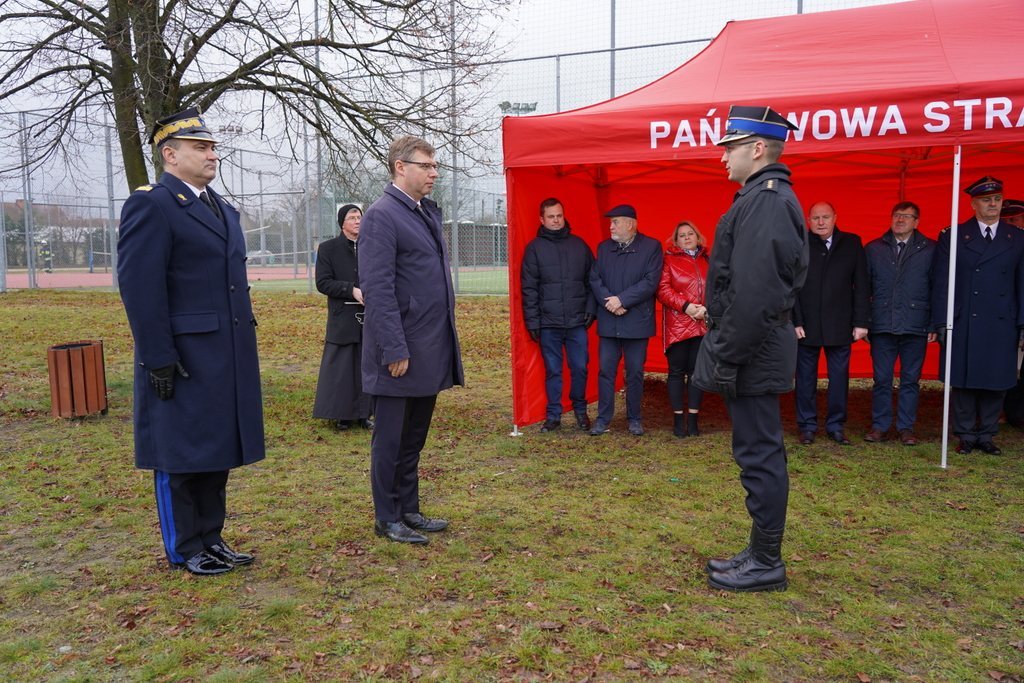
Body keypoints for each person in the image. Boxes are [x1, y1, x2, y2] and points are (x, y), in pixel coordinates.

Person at [117, 107, 264, 576]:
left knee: (215, 449)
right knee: (180, 453)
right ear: (170, 154)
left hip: (223, 353)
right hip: (181, 355)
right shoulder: (153, 204)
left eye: (213, 147)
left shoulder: (220, 207)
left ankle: (212, 537)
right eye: (200, 147)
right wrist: (157, 356)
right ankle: (185, 546)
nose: (211, 155)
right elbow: (141, 288)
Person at [693, 105, 807, 592]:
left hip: (752, 351)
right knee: (755, 453)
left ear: (757, 148)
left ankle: (766, 561)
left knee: (760, 455)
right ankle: (760, 551)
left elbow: (756, 294)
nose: (723, 157)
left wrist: (726, 353)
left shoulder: (768, 202)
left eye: (730, 147)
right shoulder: (760, 198)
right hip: (754, 349)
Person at [359, 135, 464, 544]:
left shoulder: (422, 212)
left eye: (435, 166)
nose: (434, 173)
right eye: (426, 165)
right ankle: (387, 517)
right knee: (390, 438)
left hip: (428, 345)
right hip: (400, 350)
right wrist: (393, 347)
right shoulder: (383, 216)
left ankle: (408, 508)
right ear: (400, 167)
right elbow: (378, 288)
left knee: (413, 436)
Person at [932, 176, 1024, 455]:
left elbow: (1022, 283)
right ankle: (965, 434)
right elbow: (942, 282)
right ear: (973, 204)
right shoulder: (955, 236)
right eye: (986, 200)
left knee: (996, 380)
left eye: (997, 199)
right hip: (965, 320)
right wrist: (941, 321)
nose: (993, 204)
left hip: (1002, 320)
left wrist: (1022, 322)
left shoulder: (1018, 238)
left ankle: (986, 434)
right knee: (964, 380)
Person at [792, 201, 870, 445]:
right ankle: (807, 426)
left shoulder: (852, 243)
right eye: (816, 218)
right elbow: (791, 286)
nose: (821, 222)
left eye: (825, 217)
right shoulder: (799, 244)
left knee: (839, 379)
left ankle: (836, 425)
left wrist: (861, 322)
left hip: (840, 324)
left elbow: (862, 285)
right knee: (805, 379)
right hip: (806, 326)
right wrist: (795, 321)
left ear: (835, 217)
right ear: (808, 220)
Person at [520, 197, 596, 432]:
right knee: (553, 370)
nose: (556, 220)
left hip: (576, 322)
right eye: (551, 216)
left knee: (580, 367)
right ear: (542, 219)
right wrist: (533, 322)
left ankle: (580, 411)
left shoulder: (579, 246)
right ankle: (553, 415)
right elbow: (529, 289)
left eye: (559, 216)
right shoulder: (534, 249)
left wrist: (591, 309)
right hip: (548, 323)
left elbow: (593, 281)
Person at [863, 202, 936, 445]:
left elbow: (937, 289)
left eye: (906, 216)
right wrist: (864, 322)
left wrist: (934, 324)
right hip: (882, 324)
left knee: (910, 380)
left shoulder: (931, 249)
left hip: (916, 324)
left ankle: (906, 428)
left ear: (917, 222)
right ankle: (880, 426)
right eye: (896, 215)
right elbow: (863, 289)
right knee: (882, 379)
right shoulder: (874, 249)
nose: (900, 220)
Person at [588, 204, 663, 436]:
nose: (611, 226)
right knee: (606, 371)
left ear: (630, 224)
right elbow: (595, 279)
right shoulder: (603, 248)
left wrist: (622, 300)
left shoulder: (651, 247)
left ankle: (634, 418)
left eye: (615, 222)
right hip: (609, 320)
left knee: (635, 372)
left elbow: (650, 282)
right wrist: (610, 302)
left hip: (637, 322)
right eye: (611, 222)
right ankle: (603, 419)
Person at [313, 204, 373, 431]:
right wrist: (350, 290)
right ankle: (342, 415)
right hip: (343, 316)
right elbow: (323, 282)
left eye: (360, 217)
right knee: (342, 368)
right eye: (352, 218)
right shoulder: (328, 249)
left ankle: (365, 413)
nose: (357, 221)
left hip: (369, 315)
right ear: (342, 223)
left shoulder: (371, 246)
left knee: (366, 364)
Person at [656, 221, 709, 437]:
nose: (687, 237)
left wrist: (705, 309)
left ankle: (693, 421)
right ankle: (678, 420)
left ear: (698, 237)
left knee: (697, 374)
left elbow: (718, 287)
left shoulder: (708, 260)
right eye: (682, 235)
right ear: (676, 240)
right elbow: (662, 290)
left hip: (702, 323)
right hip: (678, 324)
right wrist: (686, 307)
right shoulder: (668, 260)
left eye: (690, 234)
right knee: (676, 372)